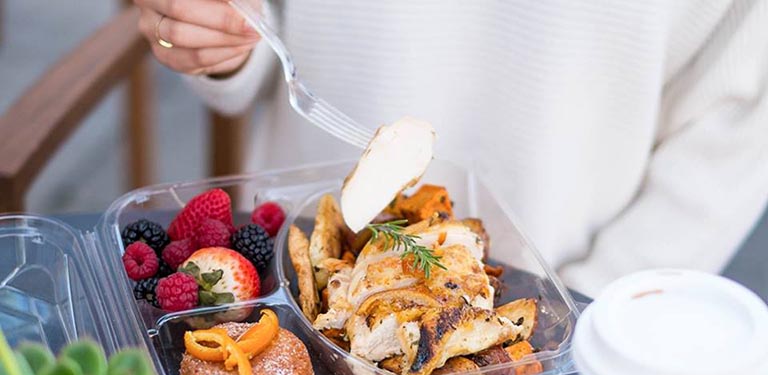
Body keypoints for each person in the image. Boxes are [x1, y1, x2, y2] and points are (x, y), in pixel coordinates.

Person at [134, 0, 768, 297]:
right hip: (299, 275)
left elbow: (742, 115)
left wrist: (596, 305)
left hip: (574, 299)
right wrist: (216, 41)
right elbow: (249, 25)